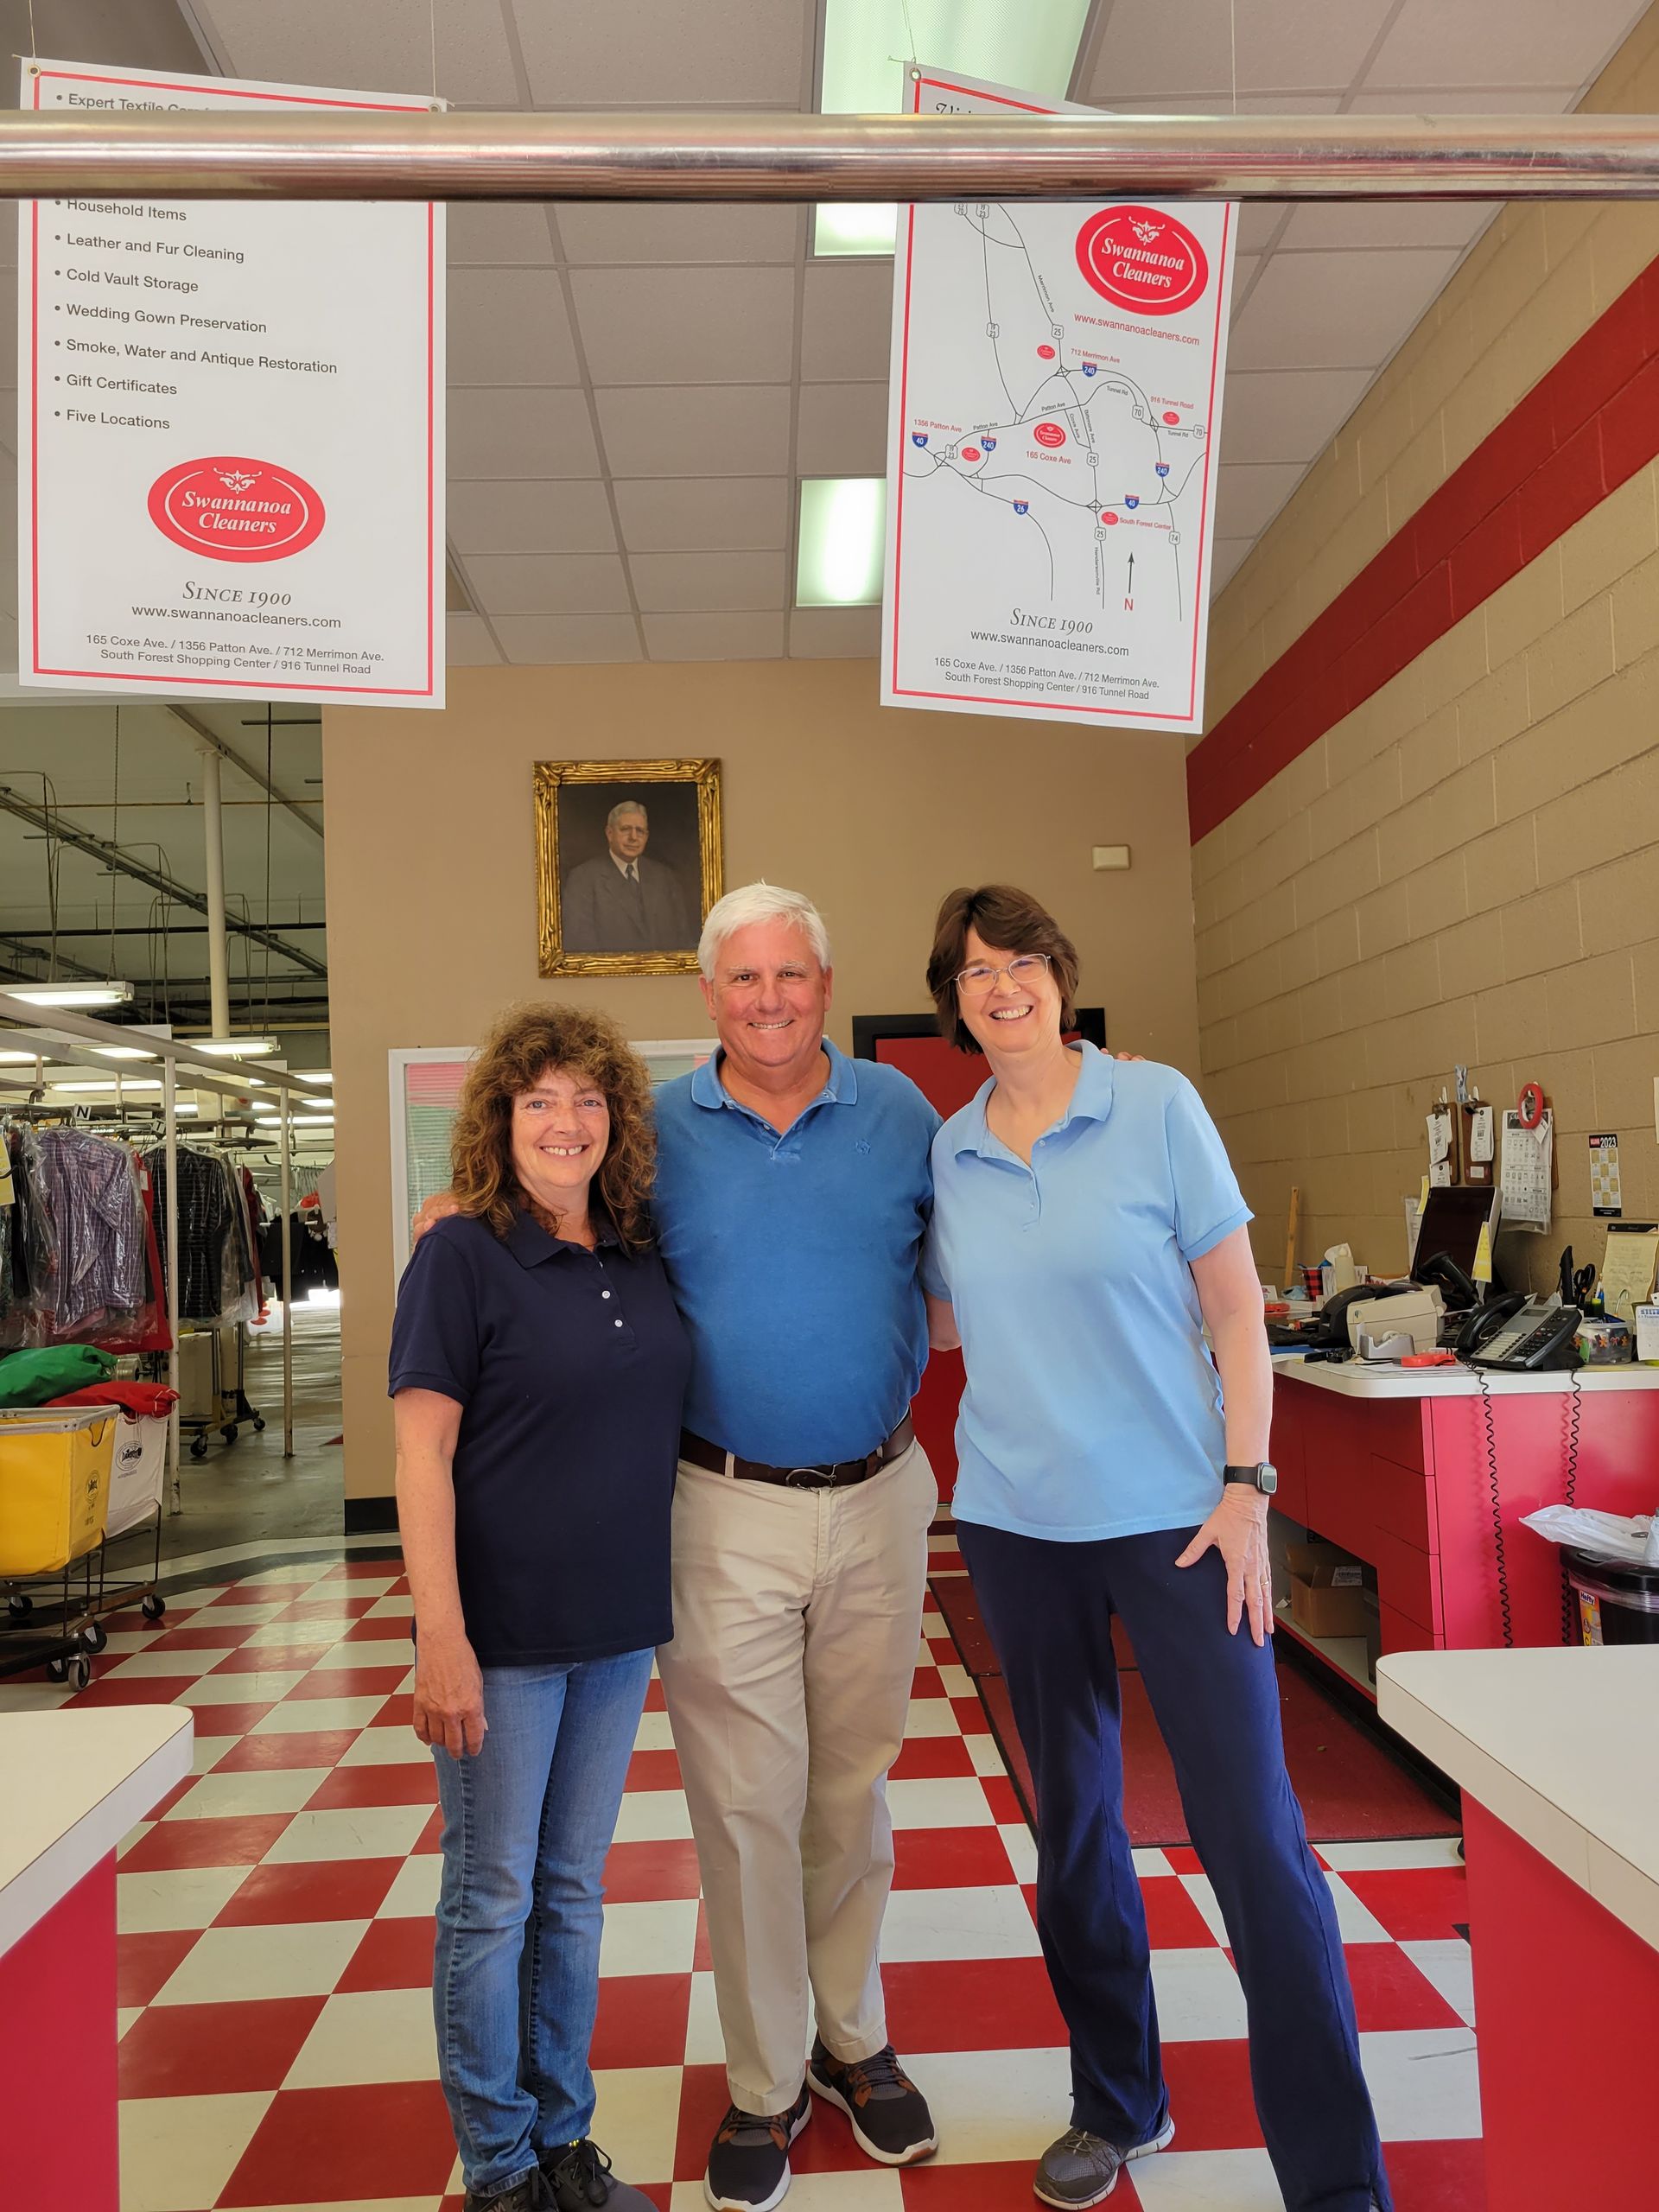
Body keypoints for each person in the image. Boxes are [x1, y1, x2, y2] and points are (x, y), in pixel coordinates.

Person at [417, 884, 942, 2212]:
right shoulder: (663, 1133)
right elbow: (540, 1214)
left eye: (794, 975)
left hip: (879, 1496)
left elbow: (953, 1284)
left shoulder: (900, 1116)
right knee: (745, 1806)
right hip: (721, 1509)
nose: (769, 999)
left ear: (827, 983)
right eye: (743, 978)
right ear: (706, 996)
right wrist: (456, 1215)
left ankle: (852, 2039)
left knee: (853, 1792)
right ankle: (765, 2082)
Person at [918, 885, 1391, 2212]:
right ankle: (1118, 2099)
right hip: (1018, 1529)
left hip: (1185, 1527)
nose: (1000, 986)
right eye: (973, 971)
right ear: (952, 1000)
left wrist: (1247, 1487)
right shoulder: (951, 1153)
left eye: (1020, 963)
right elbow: (946, 1326)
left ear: (1059, 977)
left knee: (1254, 1837)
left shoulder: (1155, 1105)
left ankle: (1337, 2181)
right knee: (1073, 1829)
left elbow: (1238, 1312)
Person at [391, 1003, 690, 2212]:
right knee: (492, 1896)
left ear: (613, 1118)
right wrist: (440, 1637)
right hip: (500, 1638)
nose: (564, 1122)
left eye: (585, 1100)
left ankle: (566, 2140)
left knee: (572, 1891)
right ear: (499, 1121)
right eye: (536, 1101)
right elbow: (422, 1457)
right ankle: (501, 2165)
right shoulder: (459, 1256)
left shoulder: (636, 1246)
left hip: (616, 1630)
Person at [562, 799, 697, 953]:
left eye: (640, 831)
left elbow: (683, 941)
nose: (633, 837)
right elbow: (579, 947)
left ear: (646, 836)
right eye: (625, 829)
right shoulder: (582, 879)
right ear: (610, 833)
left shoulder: (664, 878)